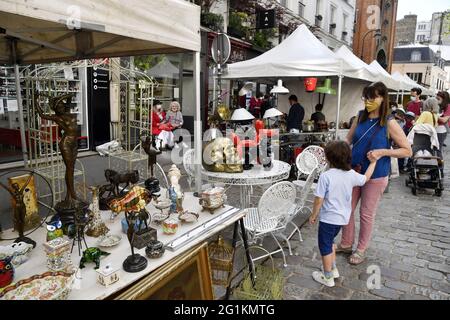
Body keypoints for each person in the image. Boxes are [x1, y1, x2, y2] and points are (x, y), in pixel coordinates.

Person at [336, 82, 412, 265]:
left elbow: (407, 150)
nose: (369, 101)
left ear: (383, 98)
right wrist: (338, 149)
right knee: (346, 209)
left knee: (366, 214)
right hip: (353, 171)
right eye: (366, 97)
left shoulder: (389, 122)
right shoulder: (360, 117)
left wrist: (382, 152)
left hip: (376, 175)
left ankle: (360, 249)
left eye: (373, 97)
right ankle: (346, 243)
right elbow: (349, 139)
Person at [309, 141, 377, 287]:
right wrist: (373, 163)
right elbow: (365, 179)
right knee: (331, 242)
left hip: (328, 219)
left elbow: (319, 199)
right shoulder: (351, 174)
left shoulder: (326, 176)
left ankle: (327, 277)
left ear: (329, 158)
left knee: (325, 246)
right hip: (342, 219)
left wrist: (313, 215)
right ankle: (333, 269)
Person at [436, 91, 450, 158]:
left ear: (444, 100)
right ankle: (433, 166)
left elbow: (444, 120)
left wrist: (434, 115)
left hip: (441, 131)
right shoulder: (437, 106)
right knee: (432, 149)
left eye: (438, 99)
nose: (437, 100)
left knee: (438, 150)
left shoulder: (448, 107)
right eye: (436, 98)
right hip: (434, 129)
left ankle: (440, 167)